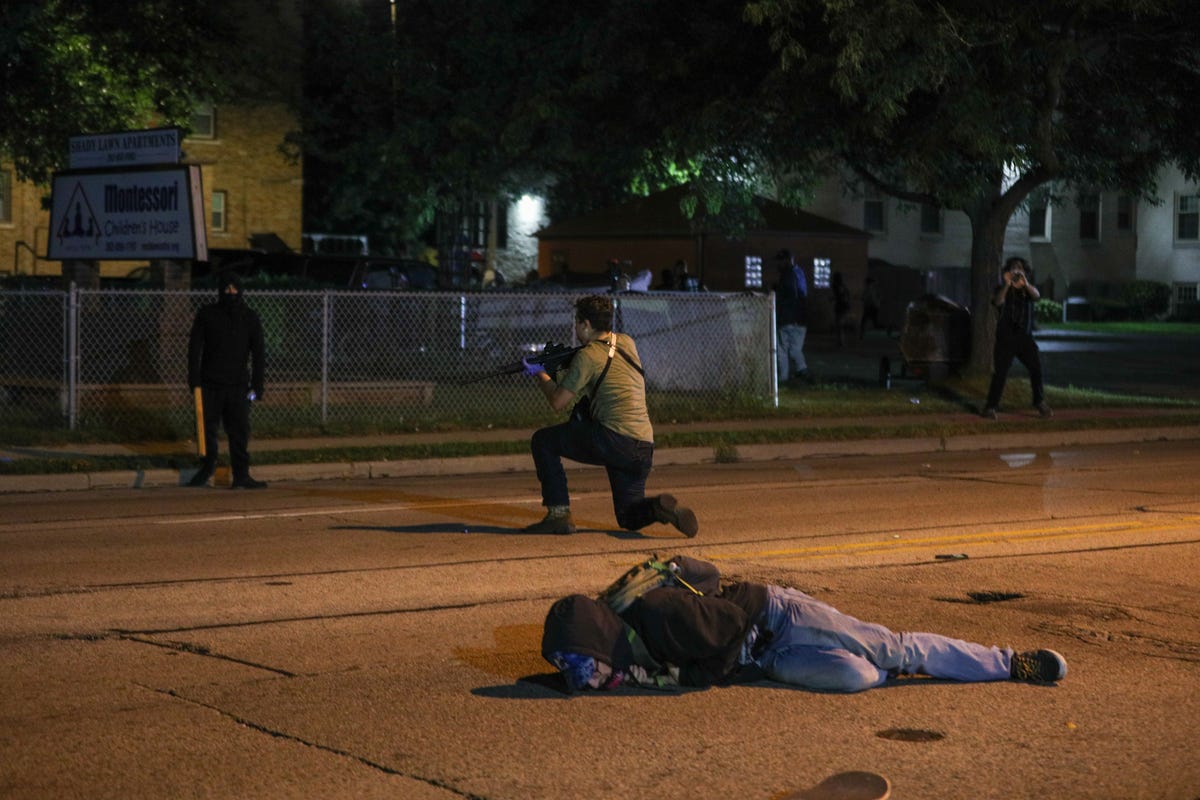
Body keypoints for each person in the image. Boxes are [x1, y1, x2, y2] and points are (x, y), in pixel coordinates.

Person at [542, 555, 1068, 693]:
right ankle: (887, 666)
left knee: (893, 650)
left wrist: (700, 675)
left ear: (596, 642)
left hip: (777, 618)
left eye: (583, 668)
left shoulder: (660, 616)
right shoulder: (614, 651)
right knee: (858, 679)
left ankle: (1009, 663)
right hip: (767, 658)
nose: (585, 679)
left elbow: (726, 624)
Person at [521, 295, 698, 537]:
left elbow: (558, 401)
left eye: (576, 322)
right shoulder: (626, 342)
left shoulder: (588, 356)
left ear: (585, 324)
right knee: (627, 517)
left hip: (614, 440)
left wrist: (540, 373)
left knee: (543, 441)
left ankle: (558, 515)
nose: (575, 328)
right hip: (643, 446)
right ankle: (660, 509)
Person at [187, 271, 267, 489]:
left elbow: (258, 353)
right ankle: (207, 467)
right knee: (208, 429)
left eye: (234, 289)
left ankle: (241, 475)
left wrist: (257, 386)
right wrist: (194, 379)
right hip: (210, 383)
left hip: (238, 386)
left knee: (239, 431)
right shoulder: (207, 314)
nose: (231, 293)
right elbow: (195, 348)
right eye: (226, 289)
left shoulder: (250, 317)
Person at [982, 256, 1052, 420]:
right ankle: (990, 407)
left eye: (1019, 268)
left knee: (1036, 368)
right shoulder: (1002, 288)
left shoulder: (1027, 290)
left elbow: (1036, 296)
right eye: (1013, 268)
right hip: (1006, 338)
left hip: (1025, 338)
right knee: (1000, 373)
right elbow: (998, 302)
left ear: (1025, 272)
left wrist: (1025, 283)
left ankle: (1039, 402)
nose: (1016, 271)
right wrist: (1007, 284)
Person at [774, 249, 809, 384]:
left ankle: (784, 378)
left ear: (787, 260)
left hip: (787, 318)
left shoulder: (787, 275)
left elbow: (786, 296)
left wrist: (775, 292)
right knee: (795, 349)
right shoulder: (799, 273)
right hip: (801, 319)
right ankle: (802, 369)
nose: (777, 265)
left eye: (779, 261)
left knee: (782, 349)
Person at [831, 271, 851, 347]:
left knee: (839, 325)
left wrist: (833, 298)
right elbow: (845, 296)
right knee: (839, 325)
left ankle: (841, 342)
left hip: (840, 306)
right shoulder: (843, 286)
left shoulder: (836, 286)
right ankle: (840, 341)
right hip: (844, 306)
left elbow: (838, 296)